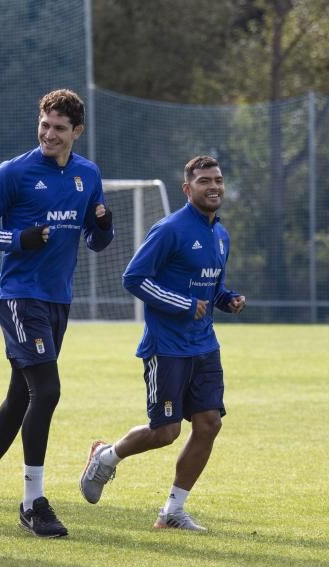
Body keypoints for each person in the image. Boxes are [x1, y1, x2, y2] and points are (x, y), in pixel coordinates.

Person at [0, 89, 114, 538]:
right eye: (44, 124)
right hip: (20, 296)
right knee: (47, 390)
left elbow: (96, 243)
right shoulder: (13, 173)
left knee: (21, 397)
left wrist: (103, 226)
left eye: (60, 128)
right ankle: (33, 502)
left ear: (77, 131)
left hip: (58, 299)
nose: (49, 134)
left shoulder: (87, 174)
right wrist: (20, 239)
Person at [79, 155, 245, 531]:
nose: (214, 186)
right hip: (166, 347)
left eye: (218, 179)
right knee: (165, 432)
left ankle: (172, 512)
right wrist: (185, 304)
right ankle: (106, 457)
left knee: (209, 424)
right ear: (188, 189)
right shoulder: (169, 229)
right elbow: (133, 277)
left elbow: (211, 287)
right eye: (204, 181)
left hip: (204, 347)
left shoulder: (221, 234)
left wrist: (227, 300)